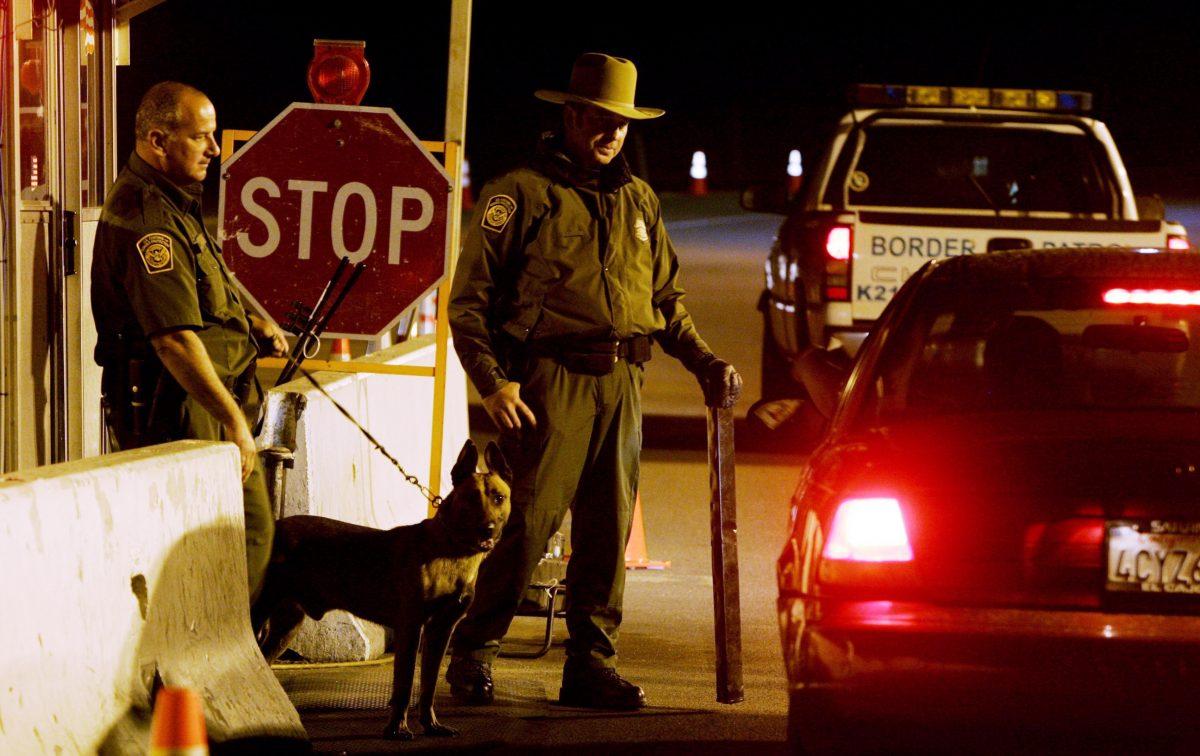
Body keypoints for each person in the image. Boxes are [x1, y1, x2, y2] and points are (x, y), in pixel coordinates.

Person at [446, 53, 741, 710]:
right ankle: (473, 648)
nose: (612, 134)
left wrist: (703, 361)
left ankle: (590, 662)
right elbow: (467, 303)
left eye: (623, 123)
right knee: (527, 522)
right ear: (571, 116)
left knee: (607, 532)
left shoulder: (637, 201)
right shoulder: (517, 195)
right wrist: (493, 384)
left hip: (624, 383)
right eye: (601, 120)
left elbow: (666, 300)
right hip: (548, 383)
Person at [90, 82, 288, 601]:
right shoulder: (147, 220)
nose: (215, 149)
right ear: (158, 140)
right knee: (241, 532)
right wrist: (232, 421)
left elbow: (201, 287)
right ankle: (209, 661)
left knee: (234, 534)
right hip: (179, 405)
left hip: (200, 400)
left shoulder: (172, 199)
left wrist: (251, 320)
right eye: (201, 137)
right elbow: (174, 341)